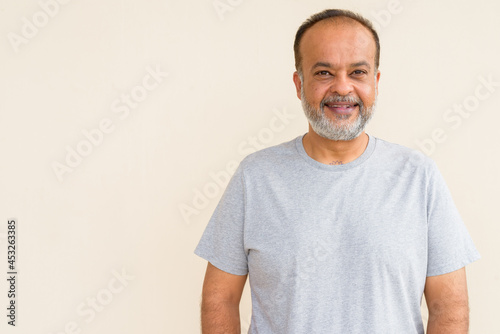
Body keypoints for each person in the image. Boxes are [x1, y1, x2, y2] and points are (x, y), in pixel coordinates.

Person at [194, 8, 480, 334]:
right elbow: (220, 298)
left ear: (375, 81)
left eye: (358, 72)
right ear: (299, 84)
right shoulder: (255, 177)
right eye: (324, 73)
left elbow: (449, 306)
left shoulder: (419, 177)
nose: (342, 88)